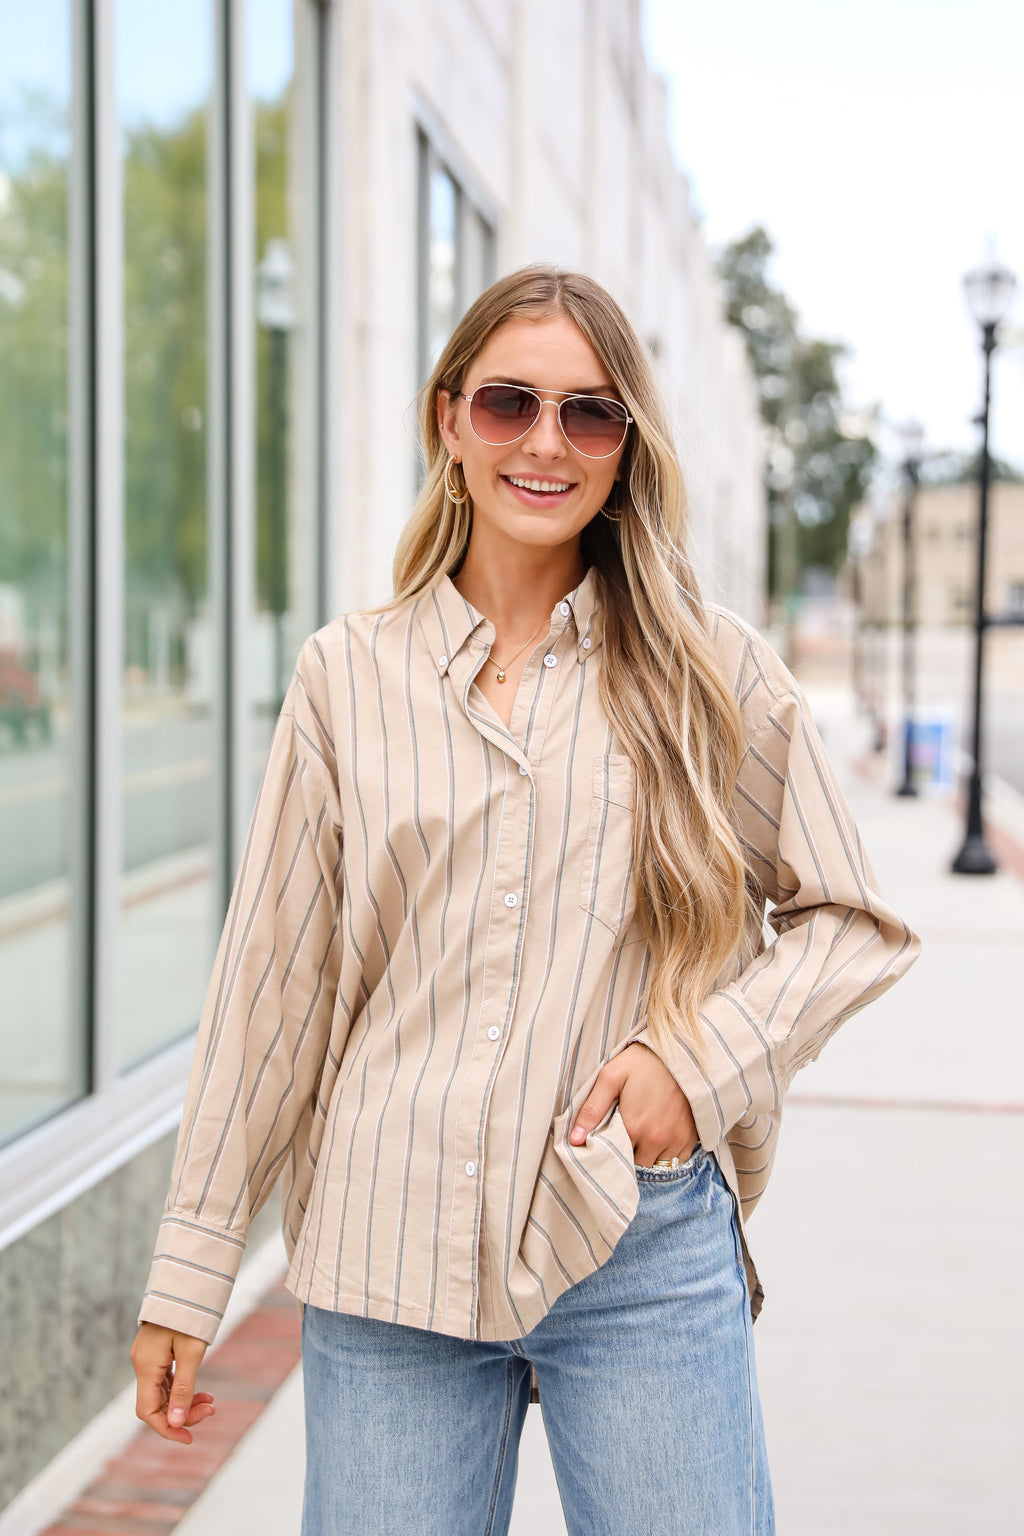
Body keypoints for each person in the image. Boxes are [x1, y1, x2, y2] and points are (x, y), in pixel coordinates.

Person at [131, 265, 919, 1535]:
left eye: (587, 414)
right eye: (509, 403)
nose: (545, 443)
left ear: (625, 447)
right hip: (385, 1246)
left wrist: (696, 1064)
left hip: (635, 1240)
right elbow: (272, 992)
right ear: (449, 420)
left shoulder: (710, 672)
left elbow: (851, 924)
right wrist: (193, 1266)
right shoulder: (346, 678)